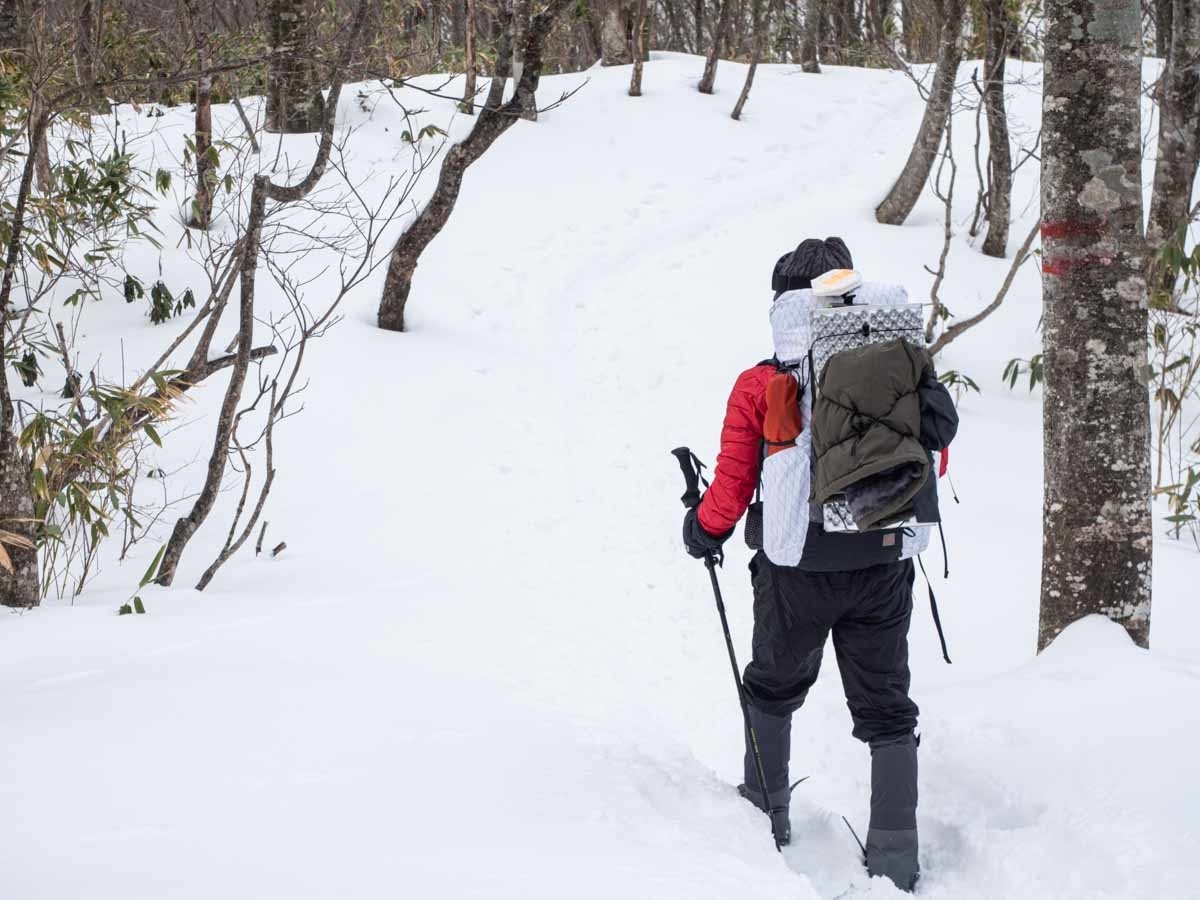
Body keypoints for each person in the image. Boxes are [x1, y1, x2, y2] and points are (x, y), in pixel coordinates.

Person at [681, 237, 925, 892]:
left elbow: (733, 484)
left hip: (795, 569)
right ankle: (896, 856)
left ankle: (764, 815)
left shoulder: (761, 383)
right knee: (887, 706)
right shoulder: (894, 370)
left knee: (771, 685)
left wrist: (703, 531)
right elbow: (925, 463)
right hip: (882, 562)